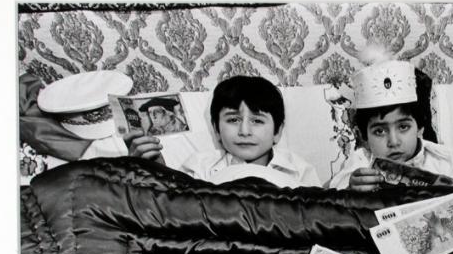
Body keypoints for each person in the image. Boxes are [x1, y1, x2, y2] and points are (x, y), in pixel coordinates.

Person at [126, 76, 321, 187]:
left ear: (277, 131)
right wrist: (156, 170)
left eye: (257, 120)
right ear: (217, 130)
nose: (244, 131)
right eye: (233, 120)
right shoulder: (200, 166)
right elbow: (177, 206)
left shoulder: (299, 170)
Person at [328, 56, 453, 190]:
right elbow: (330, 201)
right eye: (379, 131)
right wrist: (350, 191)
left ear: (420, 127)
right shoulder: (359, 164)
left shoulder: (446, 162)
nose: (394, 142)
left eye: (403, 127)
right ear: (364, 137)